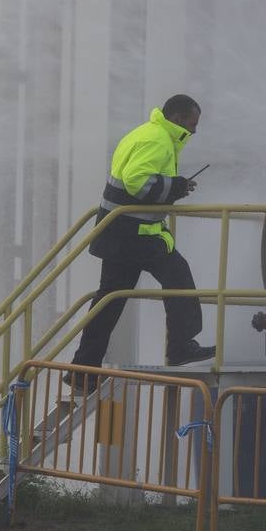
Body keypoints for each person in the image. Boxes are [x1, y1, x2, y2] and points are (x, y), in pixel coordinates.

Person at [64, 94, 215, 391]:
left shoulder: (145, 133)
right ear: (179, 118)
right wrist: (178, 186)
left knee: (109, 302)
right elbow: (137, 181)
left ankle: (83, 369)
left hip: (118, 232)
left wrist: (175, 187)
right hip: (136, 235)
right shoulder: (158, 140)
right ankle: (181, 346)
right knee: (178, 277)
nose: (195, 131)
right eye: (192, 124)